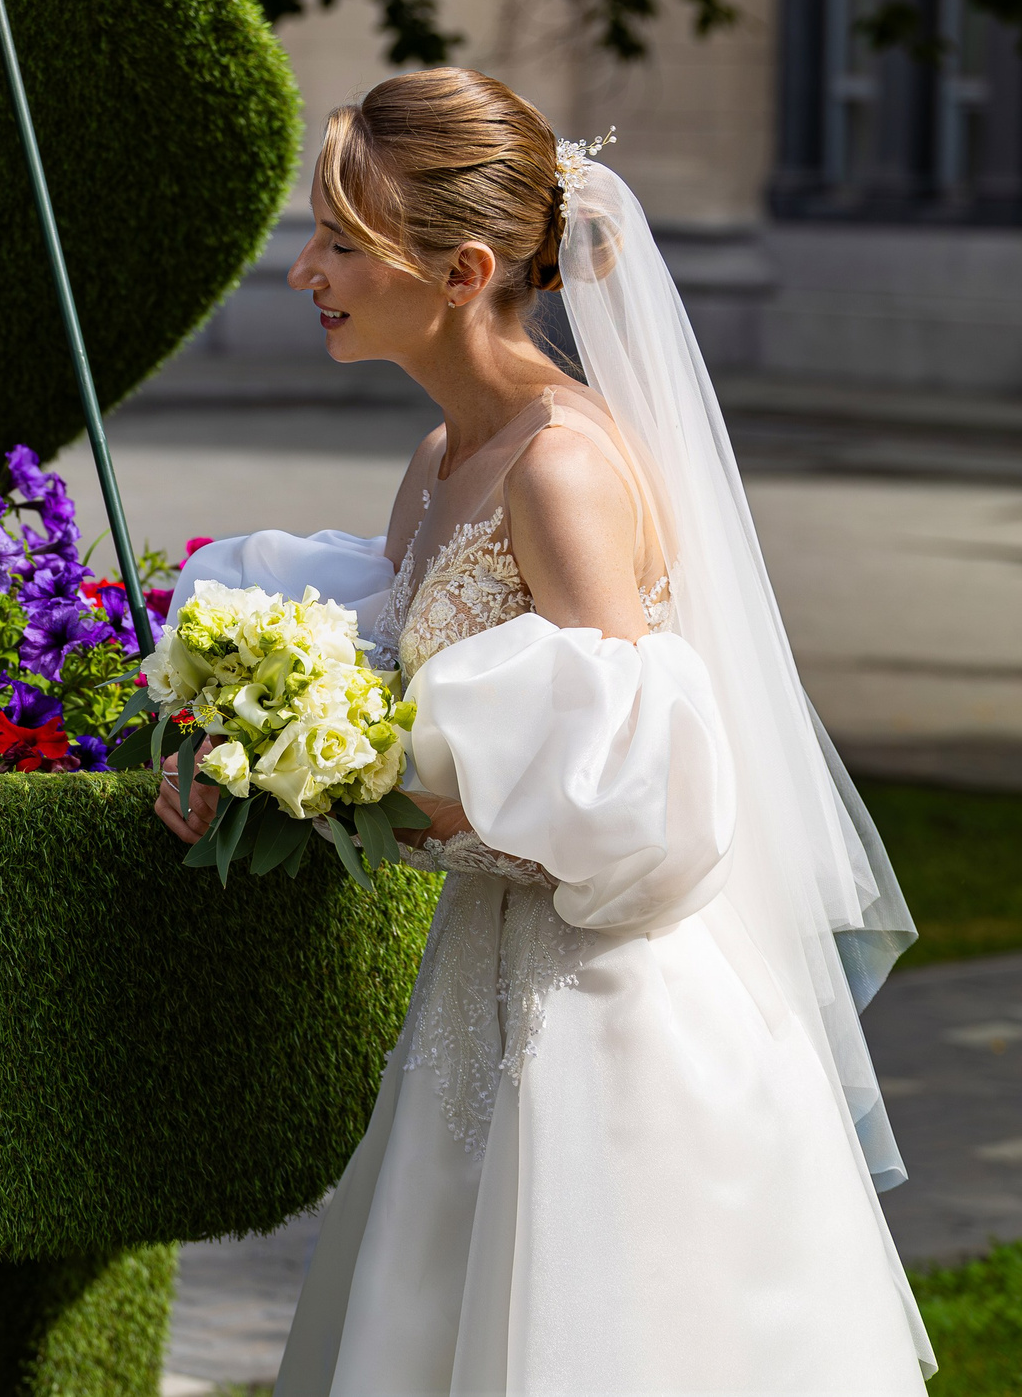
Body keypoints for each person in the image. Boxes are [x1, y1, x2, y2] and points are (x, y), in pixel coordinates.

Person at [154, 68, 934, 1394]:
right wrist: (248, 765)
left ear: (458, 270)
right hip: (482, 988)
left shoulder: (563, 468)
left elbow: (638, 804)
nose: (308, 273)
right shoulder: (442, 455)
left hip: (605, 1013)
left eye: (342, 239)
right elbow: (394, 717)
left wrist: (356, 800)